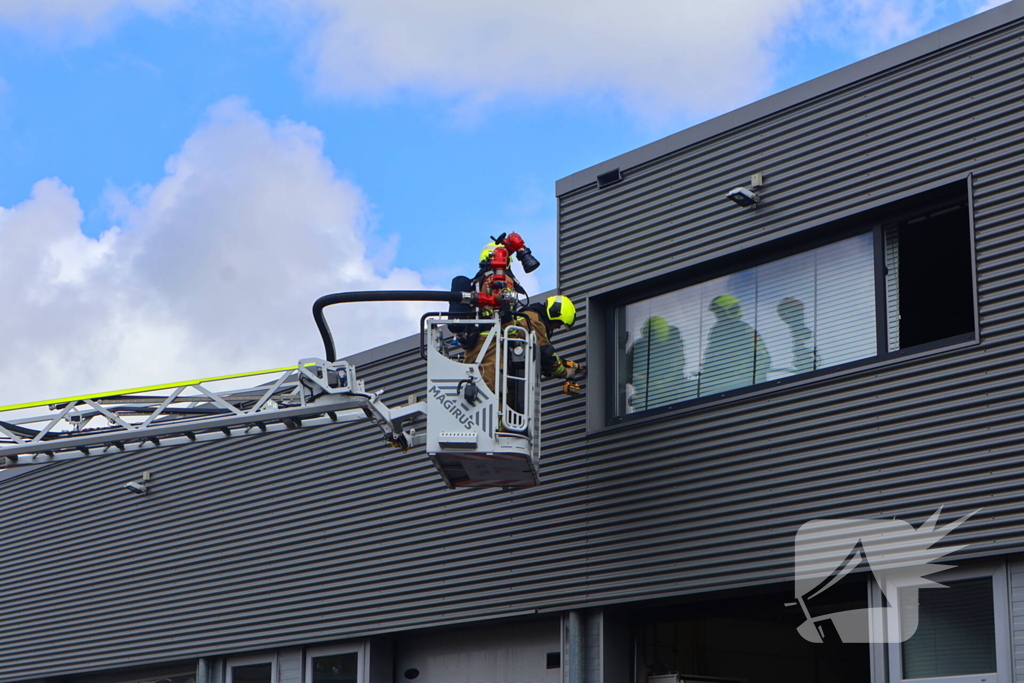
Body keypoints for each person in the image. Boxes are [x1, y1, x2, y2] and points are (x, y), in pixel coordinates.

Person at [464, 294, 585, 394]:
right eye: (560, 323)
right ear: (554, 314)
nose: (558, 327)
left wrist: (566, 363)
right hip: (494, 357)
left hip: (503, 362)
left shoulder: (534, 317)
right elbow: (546, 354)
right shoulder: (536, 321)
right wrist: (566, 373)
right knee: (492, 394)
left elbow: (546, 353)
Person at [699, 294, 770, 395]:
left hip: (745, 385)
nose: (717, 316)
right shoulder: (717, 332)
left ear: (731, 310)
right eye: (716, 313)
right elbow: (710, 357)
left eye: (719, 312)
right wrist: (705, 378)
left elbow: (763, 358)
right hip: (723, 386)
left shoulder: (744, 329)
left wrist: (751, 376)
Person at [626, 316, 696, 410]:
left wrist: (658, 384)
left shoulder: (673, 347)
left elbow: (676, 367)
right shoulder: (639, 347)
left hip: (672, 393)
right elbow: (626, 372)